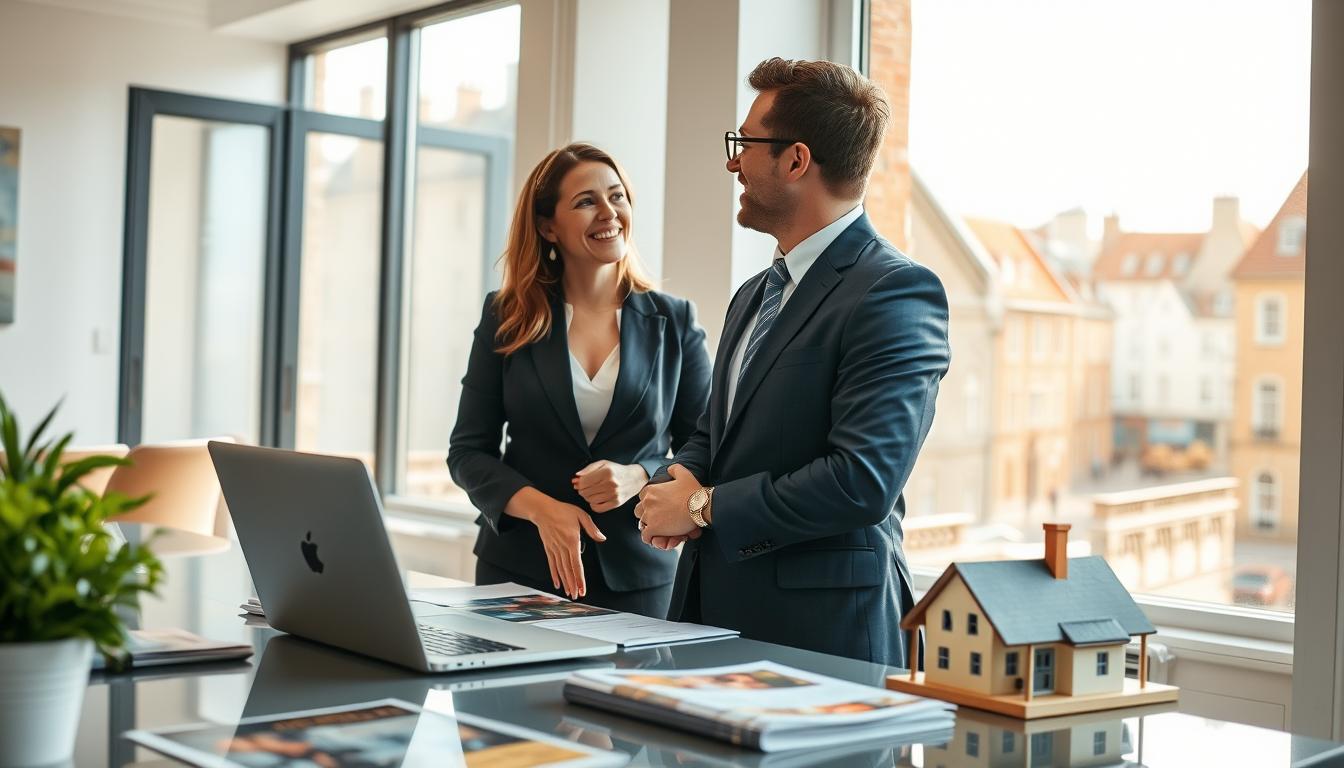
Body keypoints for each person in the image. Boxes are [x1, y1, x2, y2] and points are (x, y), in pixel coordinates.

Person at [634, 58, 951, 666]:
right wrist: (672, 486)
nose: (734, 162)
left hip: (823, 640)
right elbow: (714, 434)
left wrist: (704, 507)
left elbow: (862, 480)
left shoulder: (896, 292)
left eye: (745, 144)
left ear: (796, 160)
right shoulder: (754, 292)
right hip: (709, 620)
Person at [448, 143, 712, 618]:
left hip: (638, 574)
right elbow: (468, 452)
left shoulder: (674, 321)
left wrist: (638, 475)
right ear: (548, 226)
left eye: (617, 196)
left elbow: (706, 447)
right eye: (586, 201)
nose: (608, 212)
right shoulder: (506, 317)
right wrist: (542, 509)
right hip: (518, 572)